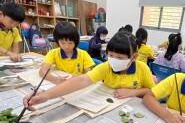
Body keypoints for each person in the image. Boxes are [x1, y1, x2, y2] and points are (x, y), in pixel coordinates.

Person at [23, 31, 155, 110]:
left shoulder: (142, 68)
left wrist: (133, 92)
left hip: (133, 106)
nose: (114, 60)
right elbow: (82, 80)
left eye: (120, 57)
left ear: (134, 57)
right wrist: (46, 95)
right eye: (110, 55)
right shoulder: (106, 67)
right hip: (109, 106)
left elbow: (151, 91)